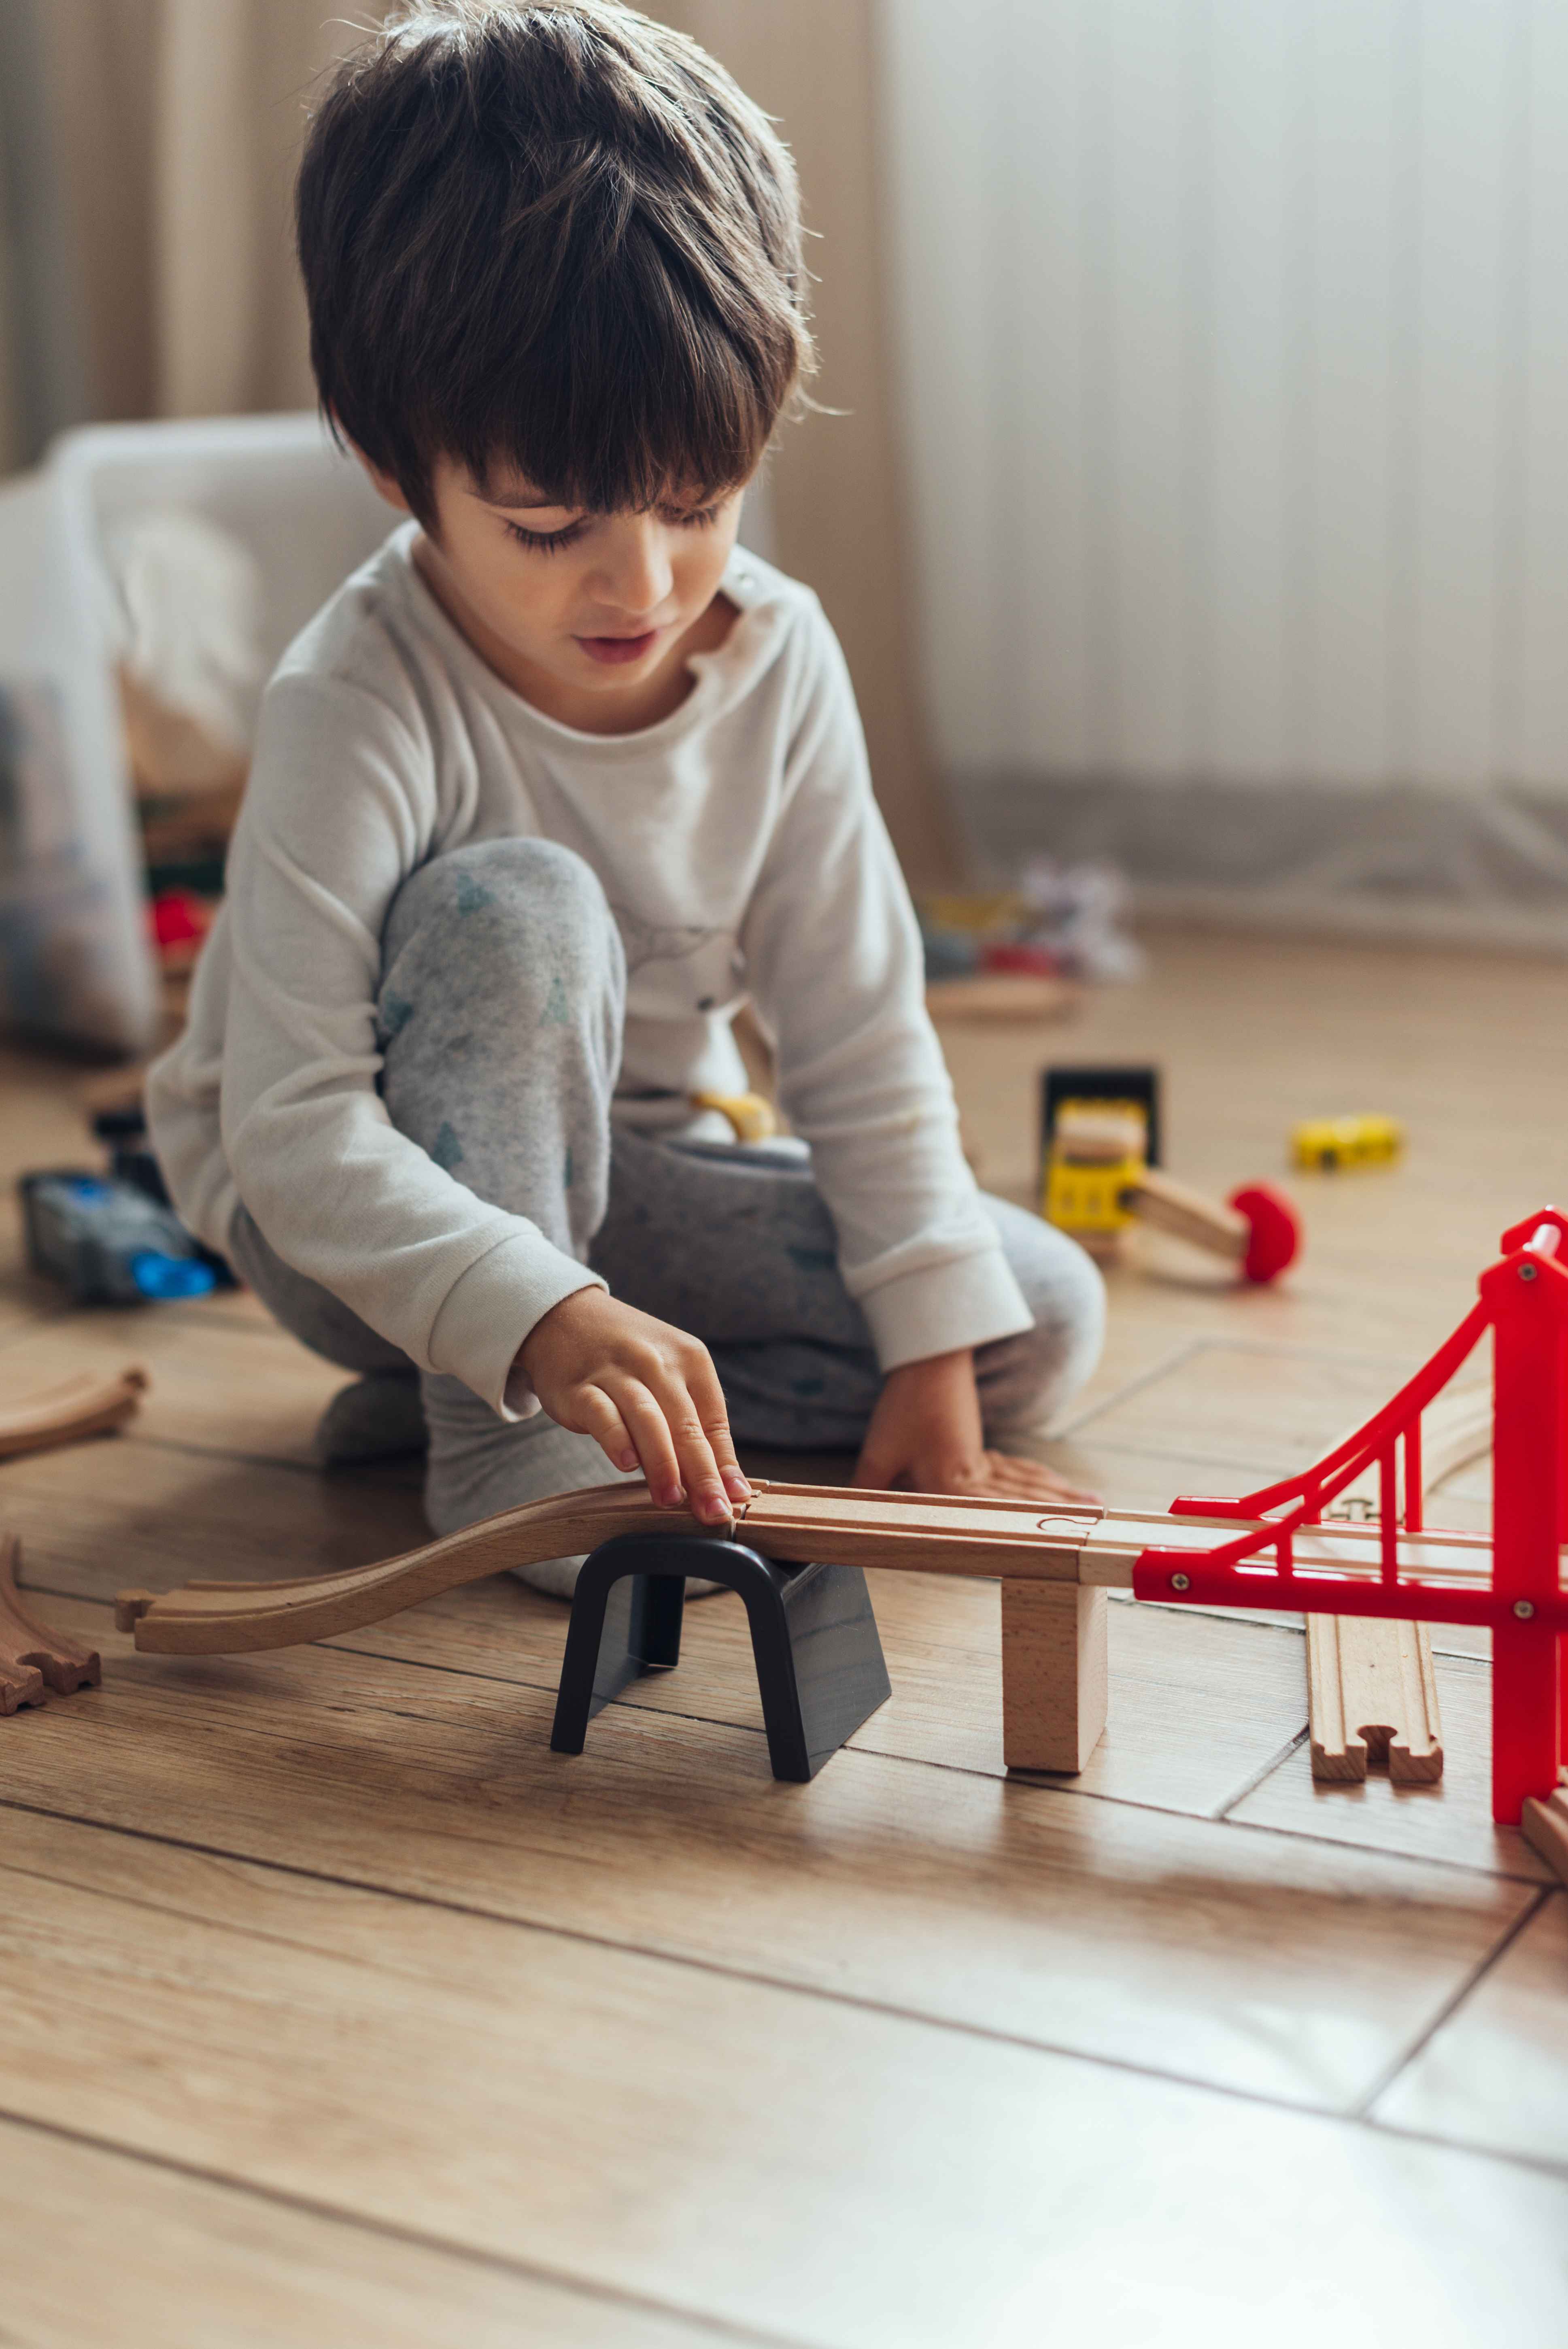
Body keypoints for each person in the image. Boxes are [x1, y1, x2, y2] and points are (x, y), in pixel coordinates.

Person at [147, 0, 1105, 1596]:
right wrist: (531, 1296)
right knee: (512, 904)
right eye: (546, 526)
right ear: (397, 467)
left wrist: (931, 1350)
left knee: (1024, 1319)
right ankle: (511, 1435)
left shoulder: (783, 661)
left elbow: (857, 1026)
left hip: (629, 1182)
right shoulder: (356, 695)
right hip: (346, 1204)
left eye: (698, 502)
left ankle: (484, 1379)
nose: (640, 583)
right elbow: (294, 1121)